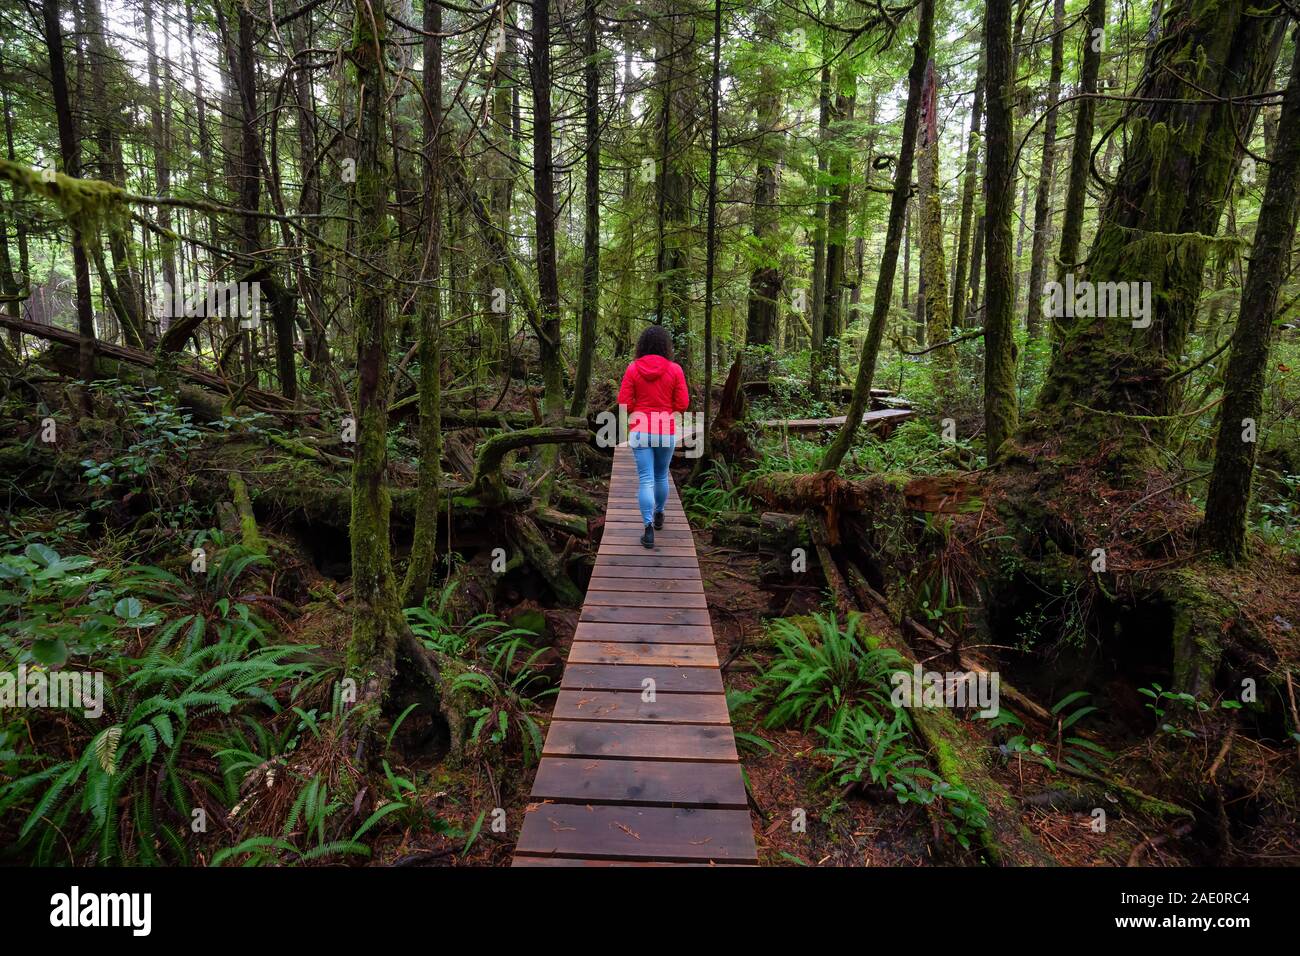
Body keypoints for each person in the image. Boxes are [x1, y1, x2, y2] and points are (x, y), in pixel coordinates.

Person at [617, 325, 690, 548]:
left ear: (642, 346)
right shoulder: (675, 369)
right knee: (661, 476)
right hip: (665, 431)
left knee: (646, 480)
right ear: (665, 346)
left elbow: (624, 402)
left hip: (640, 431)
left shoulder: (632, 368)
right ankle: (660, 514)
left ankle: (648, 529)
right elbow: (683, 403)